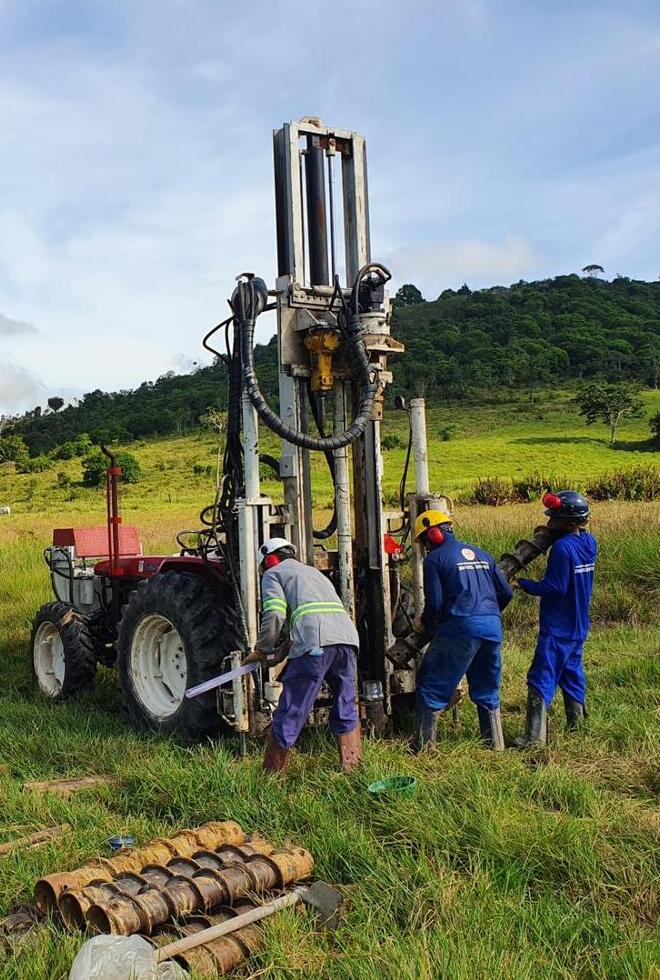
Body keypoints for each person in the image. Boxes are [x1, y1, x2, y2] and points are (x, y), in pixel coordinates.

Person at [247, 537, 362, 774]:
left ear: (269, 560)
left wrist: (262, 649)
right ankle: (352, 767)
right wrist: (283, 652)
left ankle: (271, 775)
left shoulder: (274, 573)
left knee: (293, 707)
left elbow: (275, 615)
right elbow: (314, 615)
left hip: (315, 646)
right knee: (346, 701)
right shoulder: (314, 574)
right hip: (347, 641)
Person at [412, 509, 513, 752]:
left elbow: (434, 603)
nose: (425, 548)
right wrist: (487, 614)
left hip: (460, 627)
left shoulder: (435, 560)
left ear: (432, 535)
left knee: (431, 684)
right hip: (492, 627)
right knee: (486, 686)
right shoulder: (483, 554)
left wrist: (425, 623)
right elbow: (506, 593)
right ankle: (495, 745)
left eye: (424, 542)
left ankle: (425, 749)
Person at [514, 491, 596, 747]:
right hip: (578, 624)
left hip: (557, 626)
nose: (550, 524)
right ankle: (577, 725)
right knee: (571, 674)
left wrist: (523, 584)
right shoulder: (589, 542)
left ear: (570, 522)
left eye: (555, 520)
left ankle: (533, 737)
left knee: (542, 675)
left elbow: (555, 587)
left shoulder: (561, 549)